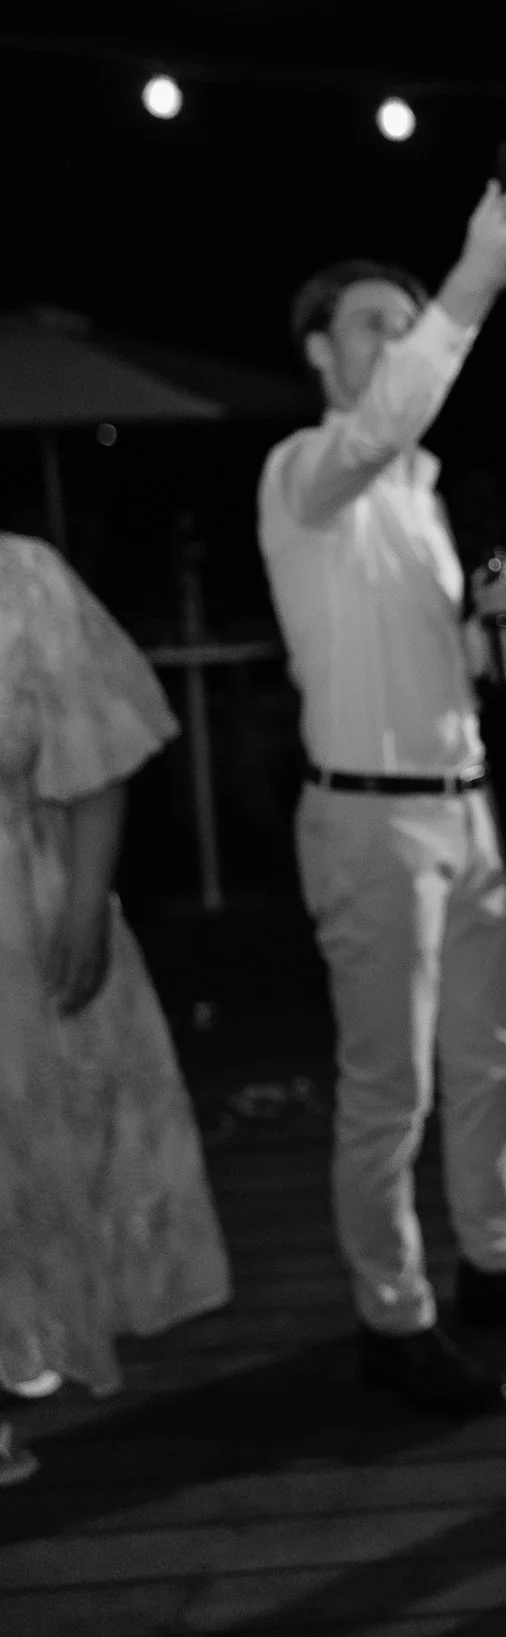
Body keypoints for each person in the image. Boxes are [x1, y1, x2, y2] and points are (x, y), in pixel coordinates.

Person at [261, 177, 506, 1420]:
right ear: (318, 348)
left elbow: (454, 675)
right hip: (369, 817)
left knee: (486, 1057)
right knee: (388, 1086)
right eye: (375, 324)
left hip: (464, 805)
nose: (396, 343)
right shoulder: (308, 469)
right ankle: (392, 1316)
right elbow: (372, 428)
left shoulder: (416, 494)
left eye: (406, 324)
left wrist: (490, 630)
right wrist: (467, 284)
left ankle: (497, 1259)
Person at [0, 534, 232, 1485]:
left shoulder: (22, 578)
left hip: (19, 905)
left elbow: (95, 752)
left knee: (25, 1162)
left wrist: (87, 902)